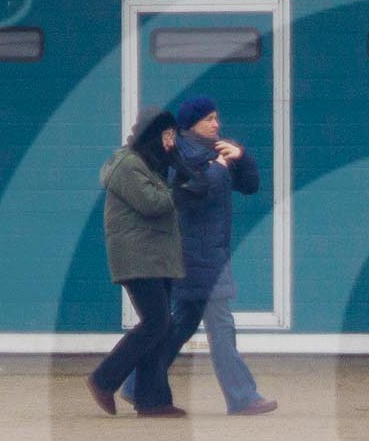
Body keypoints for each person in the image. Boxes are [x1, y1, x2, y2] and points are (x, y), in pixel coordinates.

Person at [134, 97, 277, 416]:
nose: (217, 124)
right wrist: (220, 170)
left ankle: (135, 384)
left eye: (217, 117)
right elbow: (192, 196)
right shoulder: (181, 156)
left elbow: (251, 186)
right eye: (210, 119)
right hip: (197, 256)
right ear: (191, 124)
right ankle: (243, 397)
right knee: (222, 327)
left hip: (210, 253)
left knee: (180, 327)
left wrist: (241, 158)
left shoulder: (217, 152)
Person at [87, 106, 204, 418]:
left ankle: (153, 401)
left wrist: (175, 167)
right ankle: (103, 379)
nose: (170, 142)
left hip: (154, 257)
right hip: (137, 257)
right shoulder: (128, 165)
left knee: (161, 327)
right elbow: (152, 203)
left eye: (173, 136)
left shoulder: (150, 164)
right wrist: (178, 185)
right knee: (156, 322)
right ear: (152, 134)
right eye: (166, 135)